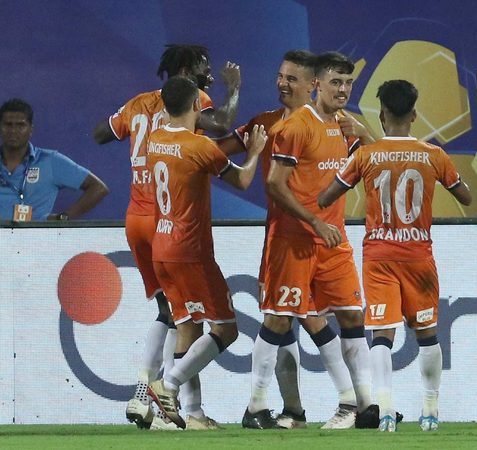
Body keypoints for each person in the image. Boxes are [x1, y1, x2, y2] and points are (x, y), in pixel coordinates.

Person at [219, 50, 370, 430]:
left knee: (346, 316)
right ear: (318, 84)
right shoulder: (284, 126)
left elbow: (370, 161)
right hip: (291, 239)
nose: (343, 89)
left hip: (331, 240)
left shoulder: (345, 125)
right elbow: (271, 182)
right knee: (281, 319)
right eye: (336, 82)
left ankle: (361, 405)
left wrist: (366, 134)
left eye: (348, 83)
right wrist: (315, 221)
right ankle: (266, 407)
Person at [92, 44, 241, 429]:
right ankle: (158, 394)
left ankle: (164, 402)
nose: (209, 73)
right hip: (168, 220)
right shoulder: (191, 101)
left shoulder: (139, 103)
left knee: (171, 312)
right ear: (187, 71)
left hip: (136, 219)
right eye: (203, 66)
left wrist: (131, 129)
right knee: (184, 316)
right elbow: (221, 125)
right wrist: (234, 92)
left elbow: (100, 134)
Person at [319, 79, 471, 432]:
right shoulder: (434, 155)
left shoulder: (365, 156)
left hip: (379, 256)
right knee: (427, 334)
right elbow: (465, 195)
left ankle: (386, 409)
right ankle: (430, 409)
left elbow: (326, 197)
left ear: (382, 115)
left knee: (382, 335)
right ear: (414, 115)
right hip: (419, 255)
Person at [145, 75, 266, 430]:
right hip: (191, 253)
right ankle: (167, 385)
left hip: (161, 248)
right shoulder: (200, 146)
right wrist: (255, 151)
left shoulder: (155, 139)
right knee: (226, 329)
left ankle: (194, 413)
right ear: (198, 105)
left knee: (187, 328)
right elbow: (242, 180)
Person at [0, 98, 108, 222]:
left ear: (31, 129)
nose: (13, 131)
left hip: (37, 234)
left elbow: (99, 188)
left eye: (20, 125)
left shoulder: (50, 161)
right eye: (8, 125)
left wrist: (64, 218)